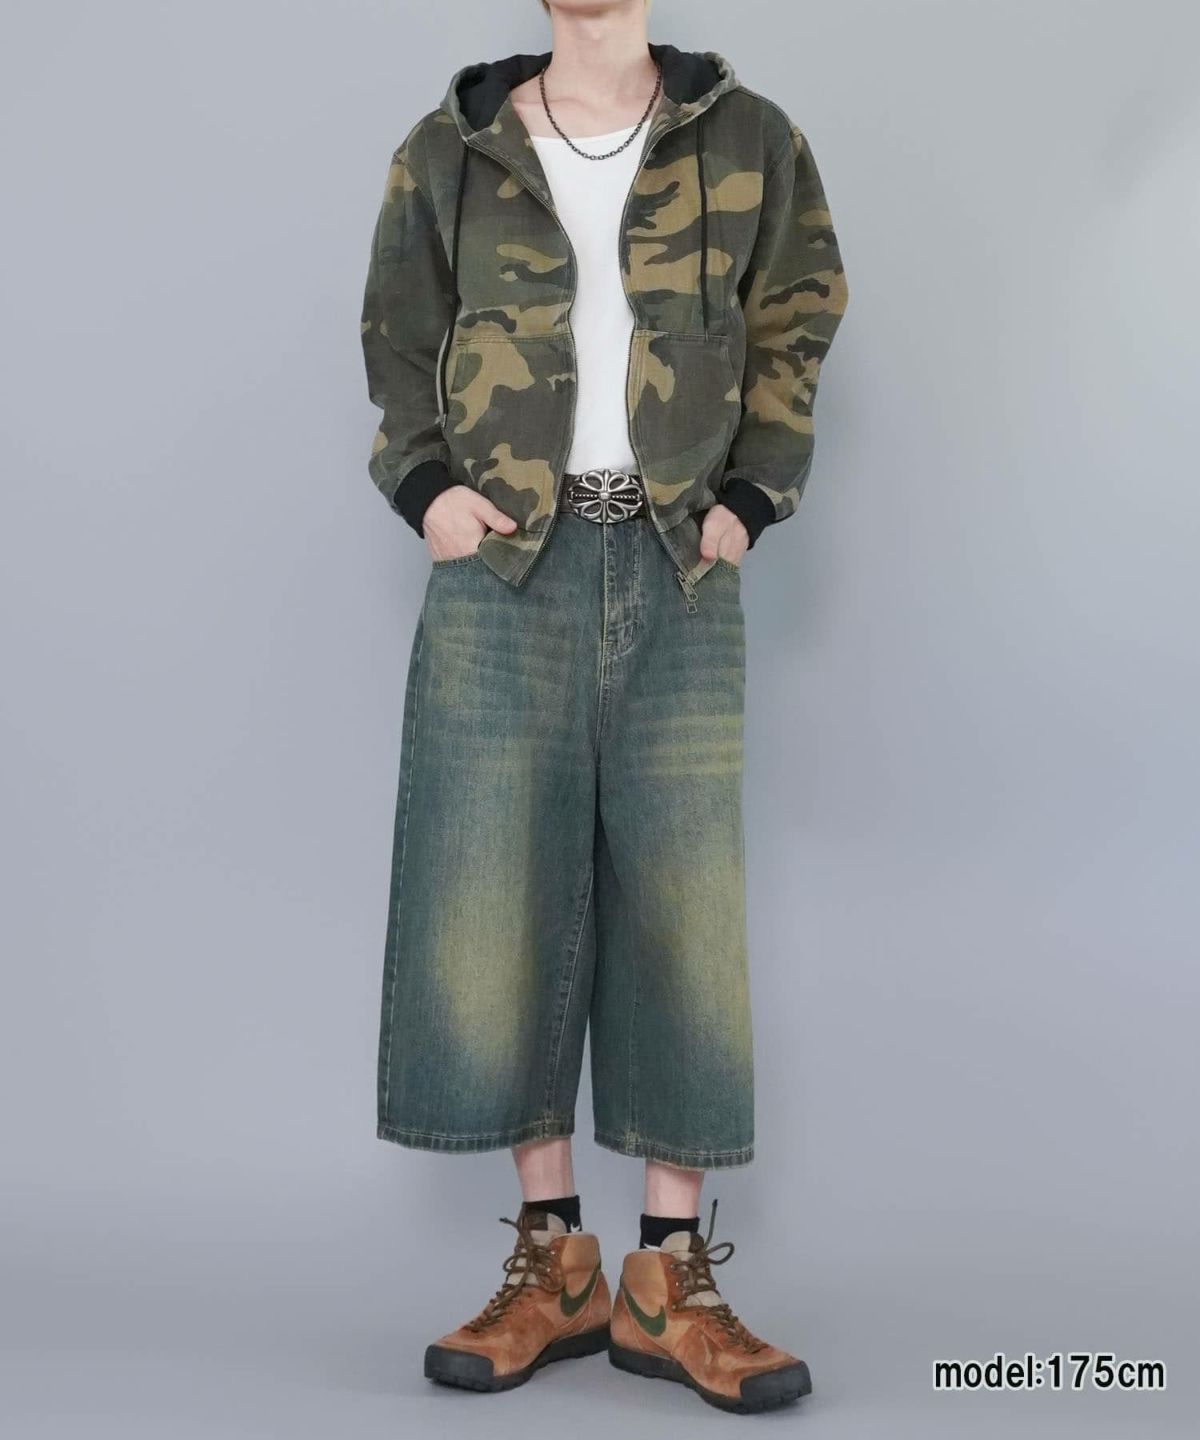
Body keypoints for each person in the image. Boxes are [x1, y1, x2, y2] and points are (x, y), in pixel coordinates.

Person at [358, 0, 848, 1414]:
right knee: (494, 884)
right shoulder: (451, 148)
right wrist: (425, 491)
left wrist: (753, 496)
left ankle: (666, 1276)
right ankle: (554, 1260)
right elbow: (397, 330)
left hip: (679, 555)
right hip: (505, 558)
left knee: (682, 901)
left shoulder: (748, 138)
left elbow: (798, 313)